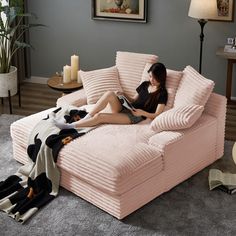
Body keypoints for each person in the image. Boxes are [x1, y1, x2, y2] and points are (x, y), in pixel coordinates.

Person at [54, 62, 168, 129]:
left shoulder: (162, 93)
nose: (151, 79)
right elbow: (133, 99)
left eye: (154, 77)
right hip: (128, 107)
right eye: (150, 76)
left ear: (160, 77)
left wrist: (142, 113)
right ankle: (88, 116)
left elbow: (157, 114)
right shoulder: (145, 84)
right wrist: (124, 95)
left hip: (136, 116)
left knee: (100, 117)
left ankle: (71, 126)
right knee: (109, 93)